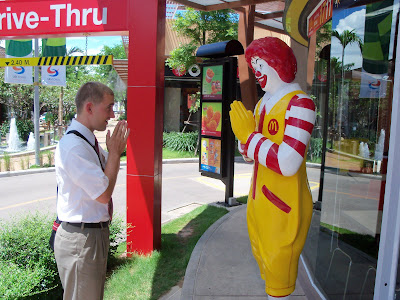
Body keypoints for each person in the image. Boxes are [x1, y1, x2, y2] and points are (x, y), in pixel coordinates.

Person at [229, 37, 316, 300]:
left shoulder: (300, 104)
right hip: (259, 203)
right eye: (253, 65)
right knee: (267, 271)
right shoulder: (263, 103)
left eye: (260, 63)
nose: (256, 71)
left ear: (277, 63)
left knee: (280, 279)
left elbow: (288, 163)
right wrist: (245, 143)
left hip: (285, 208)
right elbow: (255, 155)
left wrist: (250, 138)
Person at [54, 81, 130, 300]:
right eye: (108, 107)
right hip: (82, 238)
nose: (112, 114)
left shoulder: (86, 141)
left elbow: (106, 176)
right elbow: (103, 193)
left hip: (90, 235)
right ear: (89, 108)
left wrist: (113, 154)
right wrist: (115, 153)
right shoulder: (74, 146)